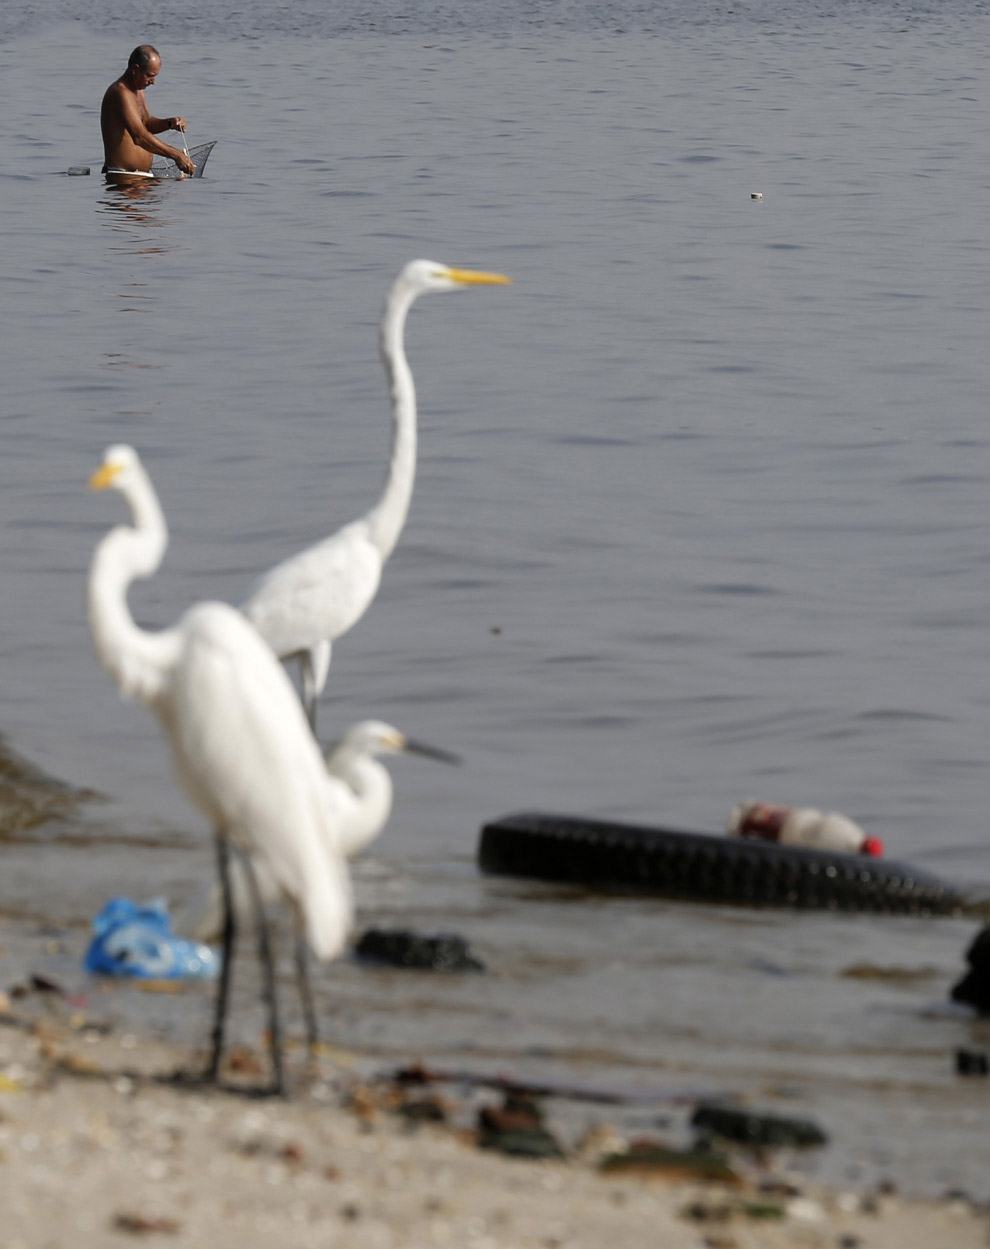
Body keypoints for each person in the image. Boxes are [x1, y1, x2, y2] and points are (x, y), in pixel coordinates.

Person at [101, 45, 195, 179]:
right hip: (123, 178)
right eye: (150, 76)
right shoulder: (120, 92)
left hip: (141, 178)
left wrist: (169, 123)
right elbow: (139, 136)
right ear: (135, 69)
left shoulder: (139, 91)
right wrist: (175, 154)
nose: (153, 82)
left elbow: (146, 124)